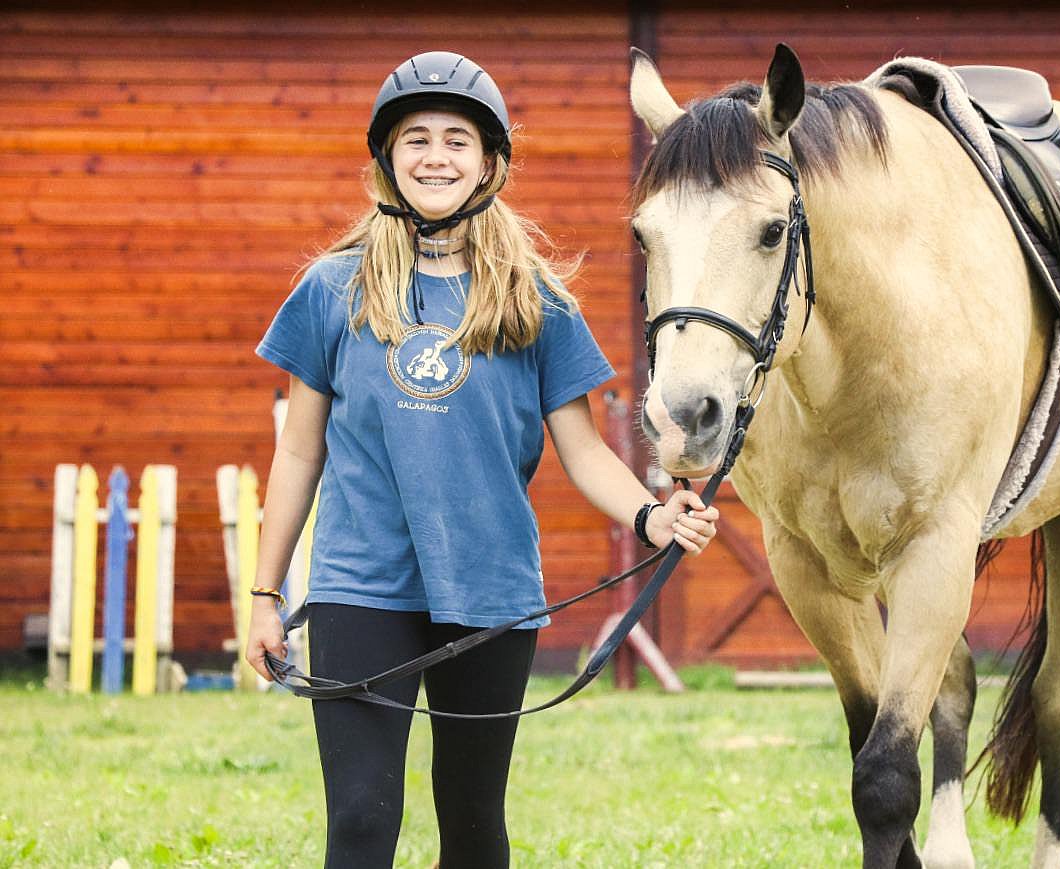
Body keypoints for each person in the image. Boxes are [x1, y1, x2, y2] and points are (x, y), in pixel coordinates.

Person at [244, 51, 720, 869]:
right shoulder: (334, 288)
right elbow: (298, 450)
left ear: (490, 162)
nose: (436, 156)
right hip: (362, 588)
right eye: (416, 139)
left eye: (457, 140)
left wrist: (651, 514)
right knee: (359, 822)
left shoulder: (536, 299)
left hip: (490, 591)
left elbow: (583, 450)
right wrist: (264, 594)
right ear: (388, 161)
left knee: (473, 827)